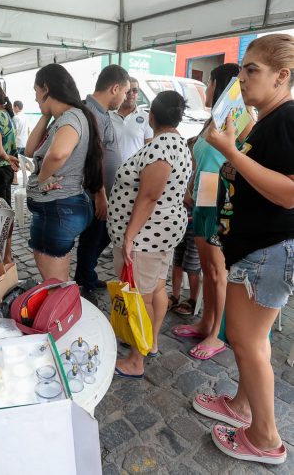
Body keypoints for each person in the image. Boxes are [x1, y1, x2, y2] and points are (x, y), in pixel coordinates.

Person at [192, 34, 294, 465]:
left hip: (267, 250)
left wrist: (231, 151)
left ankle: (266, 438)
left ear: (282, 76)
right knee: (252, 340)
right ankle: (241, 406)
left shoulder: (286, 118)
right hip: (257, 248)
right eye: (242, 68)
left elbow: (289, 193)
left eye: (252, 70)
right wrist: (234, 163)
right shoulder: (268, 118)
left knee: (246, 340)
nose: (242, 78)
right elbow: (262, 177)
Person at [172, 63, 255, 360]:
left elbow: (244, 158)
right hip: (203, 195)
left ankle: (217, 332)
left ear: (221, 84)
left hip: (221, 199)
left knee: (218, 272)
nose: (205, 89)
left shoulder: (241, 117)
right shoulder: (214, 118)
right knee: (207, 268)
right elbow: (202, 159)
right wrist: (190, 188)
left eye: (208, 83)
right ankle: (206, 321)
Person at [107, 90, 192, 378]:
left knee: (138, 298)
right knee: (155, 288)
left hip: (144, 238)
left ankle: (135, 360)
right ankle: (150, 342)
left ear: (152, 116)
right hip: (160, 234)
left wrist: (129, 236)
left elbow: (149, 196)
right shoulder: (179, 144)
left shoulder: (159, 149)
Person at [25, 63, 103, 281]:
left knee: (57, 286)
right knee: (51, 282)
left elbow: (58, 154)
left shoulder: (71, 118)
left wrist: (41, 180)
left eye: (36, 92)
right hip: (53, 209)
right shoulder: (63, 118)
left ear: (46, 88)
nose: (35, 98)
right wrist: (46, 113)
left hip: (60, 207)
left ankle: (65, 314)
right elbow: (30, 150)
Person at [74, 65, 130, 304]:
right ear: (115, 88)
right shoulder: (90, 113)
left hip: (106, 191)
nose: (125, 97)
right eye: (125, 92)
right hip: (96, 192)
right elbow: (91, 158)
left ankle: (86, 272)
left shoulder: (101, 111)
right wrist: (100, 193)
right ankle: (83, 280)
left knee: (101, 235)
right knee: (94, 235)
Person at [110, 77, 154, 163]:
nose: (131, 93)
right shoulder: (109, 115)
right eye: (128, 90)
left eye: (135, 90)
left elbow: (150, 150)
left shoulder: (146, 118)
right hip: (110, 171)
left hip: (133, 173)